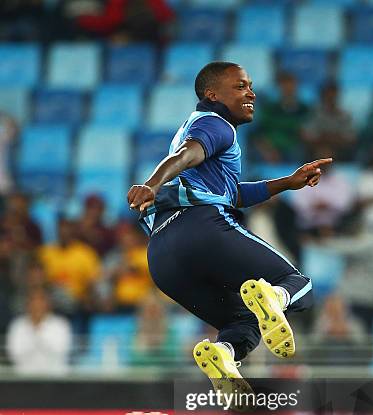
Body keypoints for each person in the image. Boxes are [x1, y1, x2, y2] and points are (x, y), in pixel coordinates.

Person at [127, 62, 332, 389]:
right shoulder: (216, 124)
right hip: (201, 228)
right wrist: (151, 183)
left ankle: (223, 353)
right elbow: (185, 155)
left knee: (243, 320)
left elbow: (230, 193)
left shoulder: (202, 130)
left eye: (249, 85)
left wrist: (287, 182)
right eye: (239, 86)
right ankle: (275, 296)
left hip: (162, 256)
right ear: (212, 95)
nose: (250, 92)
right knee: (298, 285)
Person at [6, 288, 72, 375]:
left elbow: (61, 352)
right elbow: (14, 355)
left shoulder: (60, 324)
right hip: (23, 378)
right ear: (27, 304)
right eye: (33, 301)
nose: (37, 305)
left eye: (41, 300)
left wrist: (39, 331)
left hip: (55, 378)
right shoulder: (17, 325)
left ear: (48, 304)